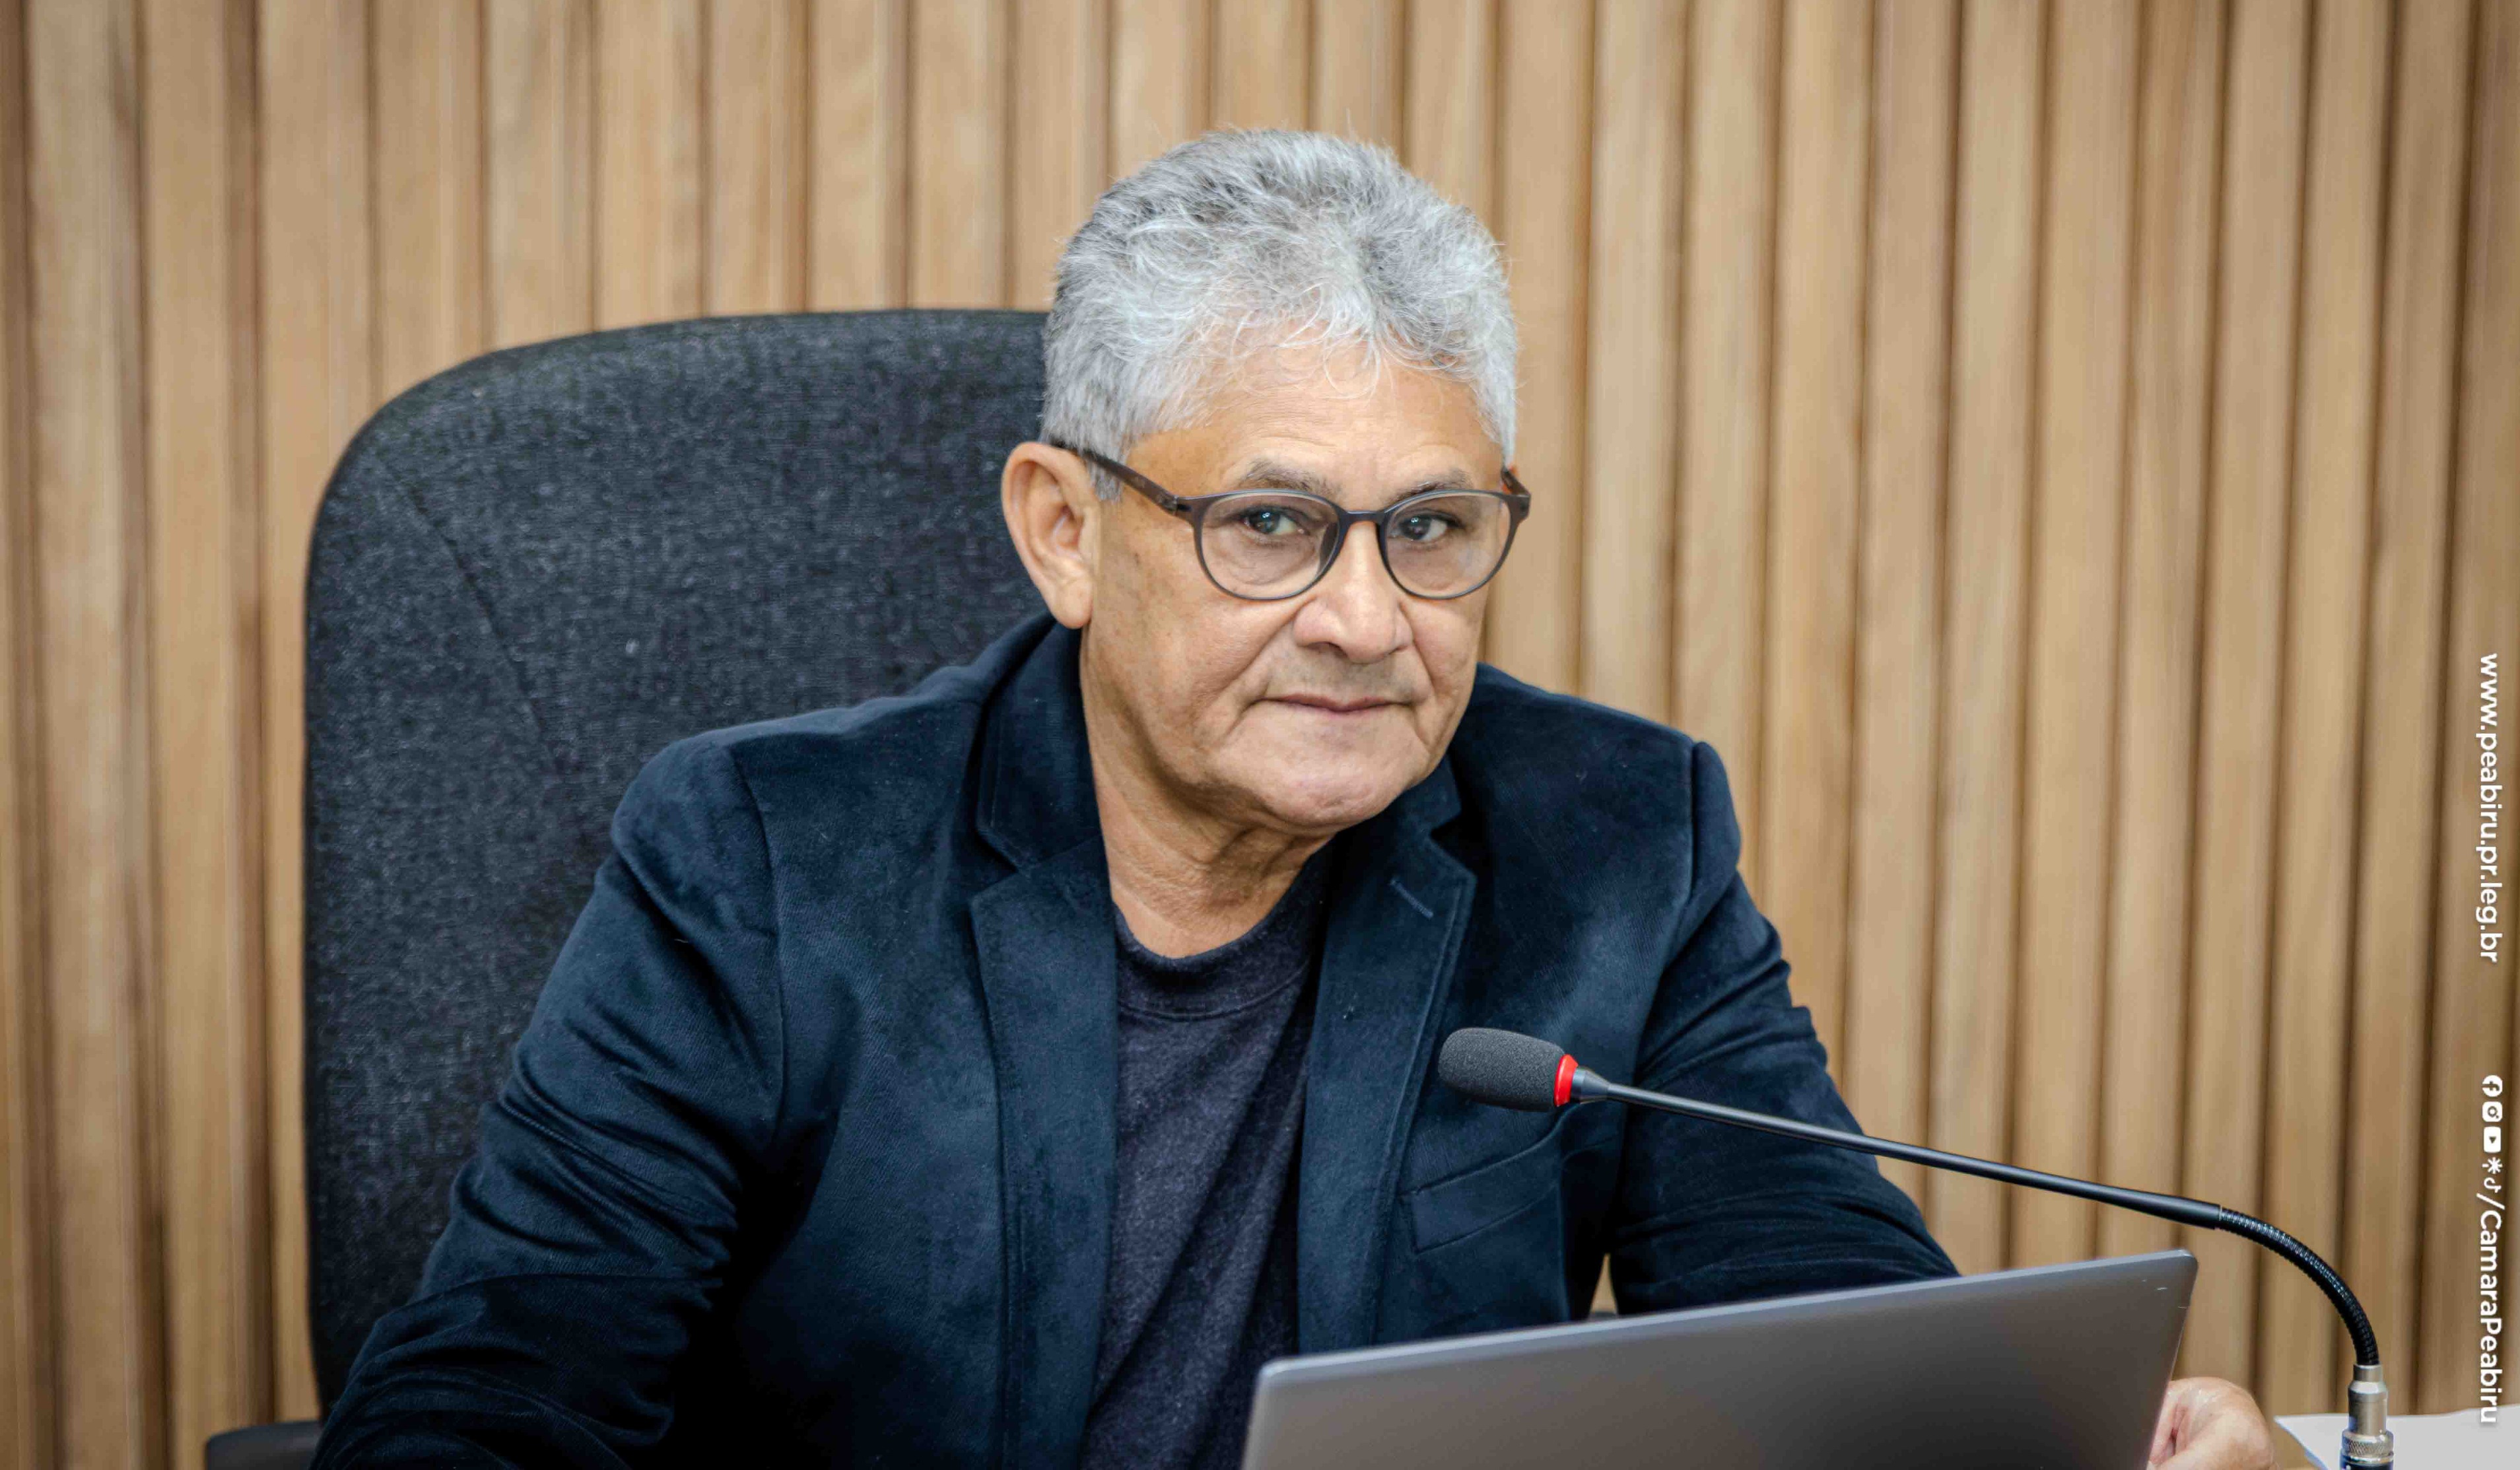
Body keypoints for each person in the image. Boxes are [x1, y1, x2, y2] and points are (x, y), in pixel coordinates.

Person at [312, 131, 2276, 1469]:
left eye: (1433, 526)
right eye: (1270, 524)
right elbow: (501, 1392)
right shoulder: (758, 859)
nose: (1365, 618)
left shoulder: (1620, 840)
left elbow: (1826, 1328)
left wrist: (2082, 1447)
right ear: (1065, 531)